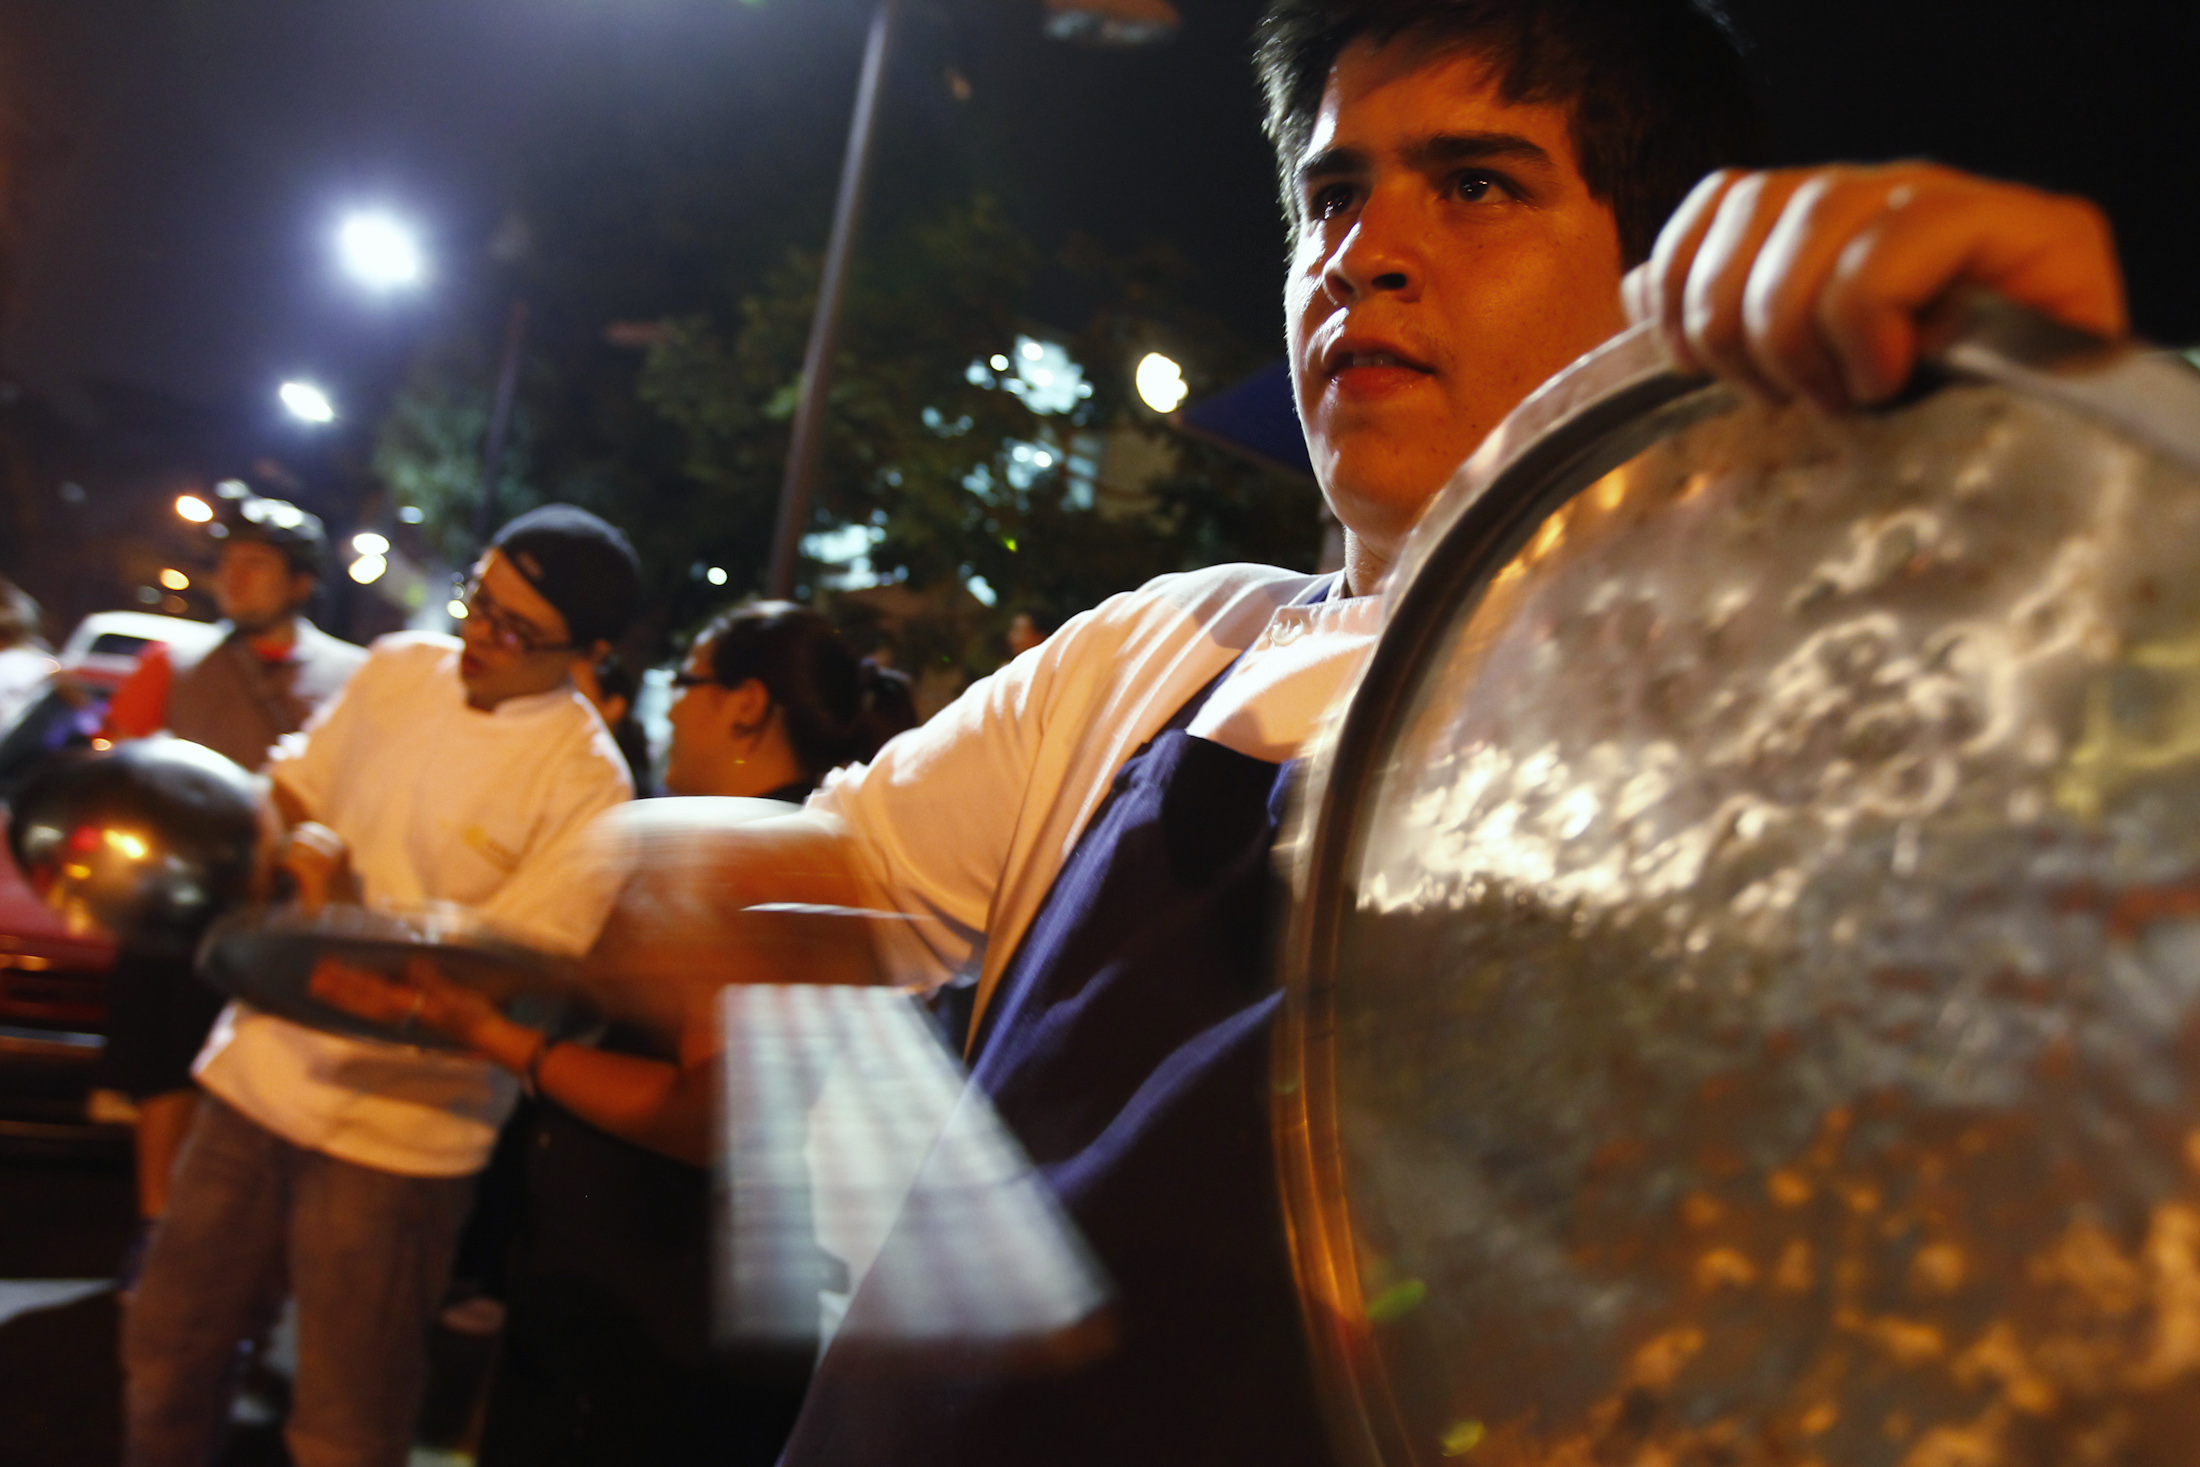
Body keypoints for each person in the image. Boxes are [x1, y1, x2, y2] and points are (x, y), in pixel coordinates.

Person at [383, 2, 2133, 1461]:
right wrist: (623, 877)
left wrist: (2074, 460)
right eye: (1334, 196)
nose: (1367, 254)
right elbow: (822, 884)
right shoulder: (1173, 643)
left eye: (1476, 184)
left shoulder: (1791, 696)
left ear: (1668, 283)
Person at [311, 601, 917, 1466]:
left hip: (656, 1323)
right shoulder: (744, 842)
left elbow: (702, 1114)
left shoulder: (758, 857)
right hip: (628, 1305)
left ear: (746, 703)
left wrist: (496, 1035)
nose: (670, 706)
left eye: (691, 681)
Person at [121, 503, 643, 1467]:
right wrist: (277, 844)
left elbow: (517, 976)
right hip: (257, 1072)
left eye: (515, 627)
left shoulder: (590, 787)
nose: (479, 636)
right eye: (478, 603)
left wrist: (344, 925)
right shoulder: (401, 668)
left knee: (346, 1422)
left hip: (404, 1133)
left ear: (589, 651)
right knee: (167, 1351)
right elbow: (293, 785)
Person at [97, 494, 367, 1252]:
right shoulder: (171, 662)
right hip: (180, 900)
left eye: (257, 565)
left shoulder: (355, 674)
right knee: (163, 1066)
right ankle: (156, 1226)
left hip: (286, 904)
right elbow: (124, 765)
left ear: (302, 582)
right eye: (228, 564)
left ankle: (252, 1246)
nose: (235, 579)